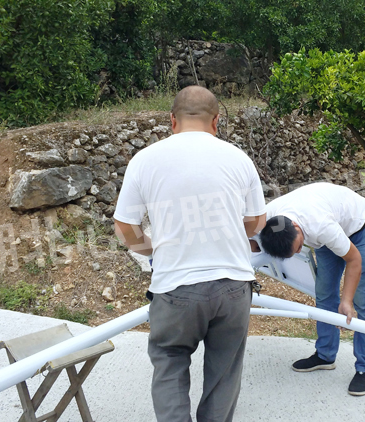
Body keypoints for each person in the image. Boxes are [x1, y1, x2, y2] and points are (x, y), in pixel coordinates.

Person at [113, 86, 266, 422]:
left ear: (172, 120)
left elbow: (124, 226)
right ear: (216, 121)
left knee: (169, 362)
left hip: (175, 287)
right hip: (232, 284)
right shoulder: (239, 159)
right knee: (224, 374)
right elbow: (256, 223)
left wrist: (154, 252)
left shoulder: (145, 160)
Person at [257, 182, 365, 396]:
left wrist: (346, 301)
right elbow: (251, 236)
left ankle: (364, 369)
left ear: (296, 228)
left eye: (297, 249)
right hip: (324, 238)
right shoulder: (271, 221)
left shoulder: (319, 225)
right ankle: (325, 355)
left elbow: (354, 260)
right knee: (324, 295)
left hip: (359, 228)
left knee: (362, 301)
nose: (296, 254)